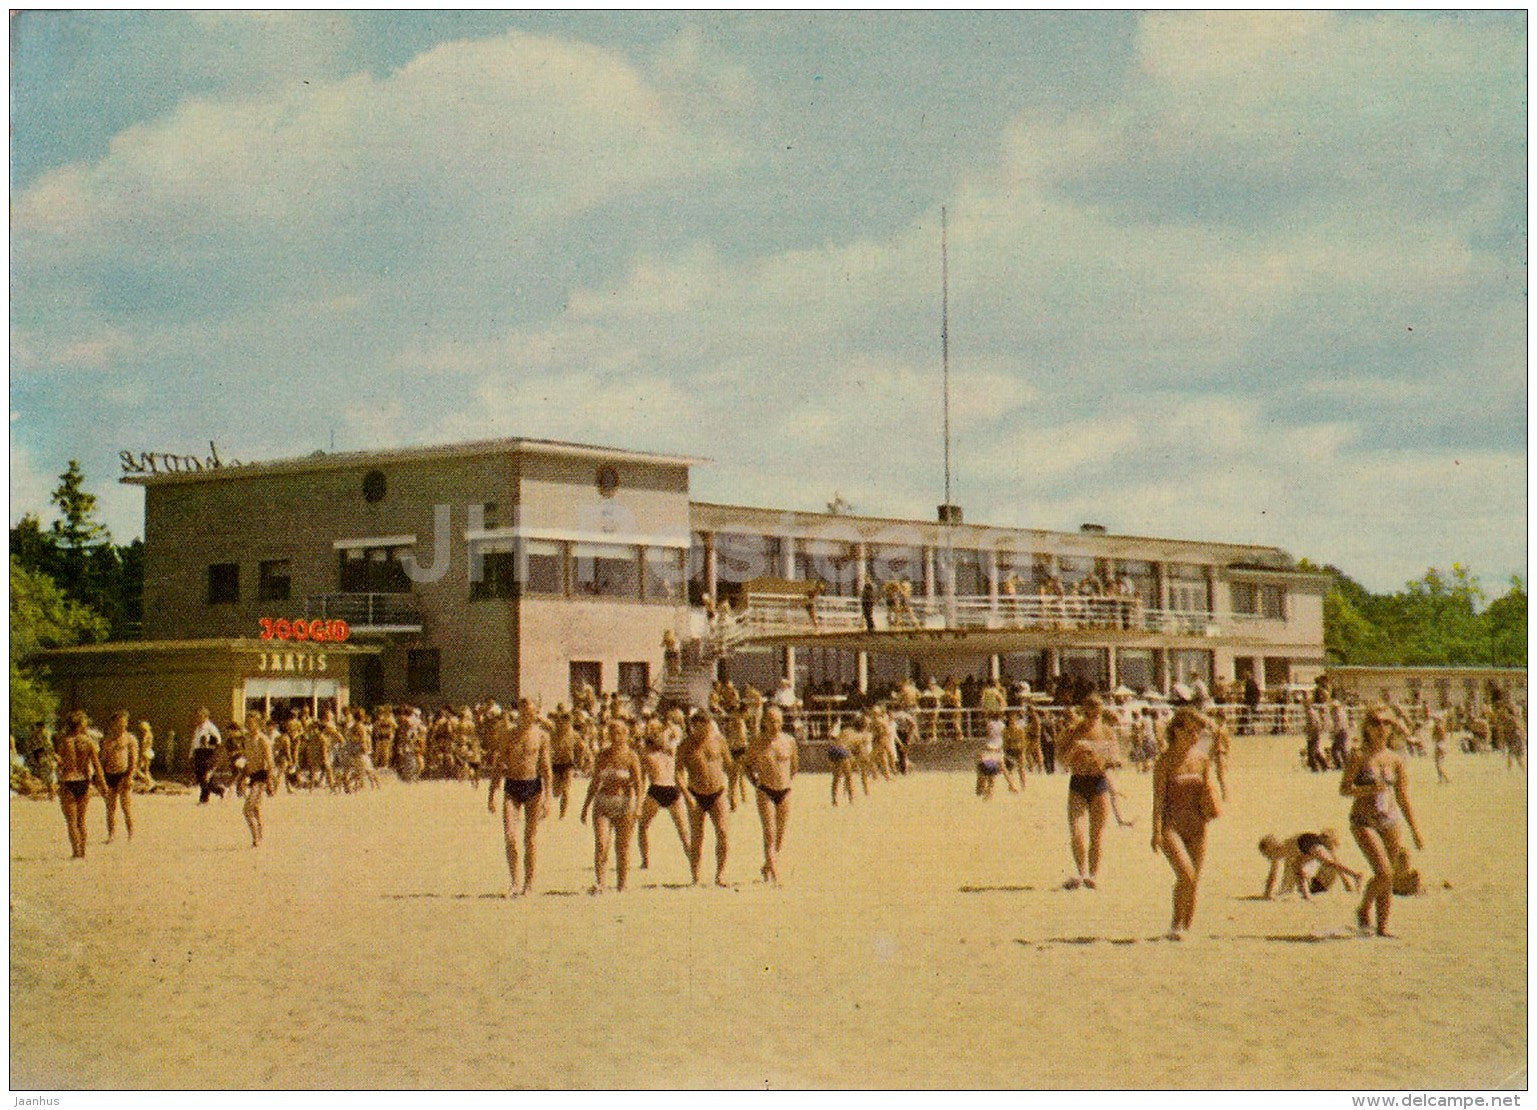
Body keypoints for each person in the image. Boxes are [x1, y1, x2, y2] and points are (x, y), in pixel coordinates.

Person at [1341, 706, 1425, 937]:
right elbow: (1345, 789)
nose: (1381, 728)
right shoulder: (1359, 756)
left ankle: (1382, 927)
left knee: (1388, 877)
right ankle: (1363, 908)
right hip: (1364, 820)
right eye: (1376, 723)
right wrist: (1367, 790)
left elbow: (1402, 796)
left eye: (1386, 723)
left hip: (1390, 820)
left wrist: (1415, 830)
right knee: (1384, 872)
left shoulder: (1396, 759)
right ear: (1367, 727)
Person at [1150, 707, 1219, 939]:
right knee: (1186, 874)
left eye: (1197, 732)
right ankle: (1176, 926)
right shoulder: (1165, 762)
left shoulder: (1202, 760)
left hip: (1198, 826)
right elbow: (1158, 799)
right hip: (1172, 826)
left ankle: (1185, 927)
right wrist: (1156, 831)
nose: (1195, 736)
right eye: (1190, 731)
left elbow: (1208, 792)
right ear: (1177, 731)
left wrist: (1212, 802)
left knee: (1193, 880)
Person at [1057, 695, 1128, 890]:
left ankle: (1093, 875)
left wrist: (1099, 756)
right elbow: (1062, 762)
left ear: (1100, 714)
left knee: (1096, 835)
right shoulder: (1072, 731)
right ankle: (1082, 872)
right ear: (1083, 712)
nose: (1091, 719)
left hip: (1099, 783)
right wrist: (1075, 749)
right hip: (1078, 782)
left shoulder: (1107, 732)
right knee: (1077, 832)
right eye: (1087, 715)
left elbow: (1115, 760)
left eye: (1095, 715)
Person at [488, 700, 553, 898]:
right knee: (510, 837)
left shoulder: (541, 736)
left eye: (530, 713)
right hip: (512, 786)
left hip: (533, 786)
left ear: (535, 714)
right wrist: (492, 793)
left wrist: (548, 798)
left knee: (530, 839)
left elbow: (546, 768)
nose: (527, 717)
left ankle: (529, 884)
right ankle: (515, 882)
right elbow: (499, 764)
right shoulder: (508, 735)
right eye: (524, 713)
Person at [580, 719, 643, 894]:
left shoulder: (631, 756)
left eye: (619, 733)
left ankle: (622, 884)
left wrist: (638, 806)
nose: (615, 737)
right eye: (612, 733)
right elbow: (595, 782)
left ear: (626, 734)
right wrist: (585, 806)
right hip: (603, 803)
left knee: (622, 846)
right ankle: (600, 883)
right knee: (602, 843)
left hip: (624, 804)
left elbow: (639, 783)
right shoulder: (602, 755)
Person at [680, 710, 731, 887]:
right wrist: (686, 795)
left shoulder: (719, 741)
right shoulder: (686, 745)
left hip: (718, 792)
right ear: (695, 726)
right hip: (696, 793)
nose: (706, 730)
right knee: (697, 837)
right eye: (702, 727)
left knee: (723, 832)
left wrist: (733, 791)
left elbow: (730, 765)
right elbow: (678, 772)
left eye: (708, 725)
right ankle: (696, 876)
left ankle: (720, 875)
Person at [748, 706, 798, 885]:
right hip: (765, 791)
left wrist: (786, 782)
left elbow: (794, 766)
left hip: (784, 790)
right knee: (769, 833)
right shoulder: (757, 742)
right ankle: (776, 875)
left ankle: (767, 865)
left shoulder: (789, 741)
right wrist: (755, 781)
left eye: (777, 721)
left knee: (780, 835)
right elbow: (747, 765)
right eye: (771, 721)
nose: (774, 725)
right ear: (764, 722)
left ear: (782, 722)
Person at [637, 718, 689, 872]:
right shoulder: (671, 752)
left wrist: (639, 802)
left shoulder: (646, 754)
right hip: (672, 789)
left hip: (656, 789)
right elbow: (675, 733)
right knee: (683, 830)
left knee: (643, 826)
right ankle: (692, 858)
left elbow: (641, 781)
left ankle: (645, 861)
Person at [54, 710, 107, 859]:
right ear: (80, 725)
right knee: (81, 820)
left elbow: (62, 763)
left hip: (68, 781)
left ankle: (75, 851)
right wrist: (102, 784)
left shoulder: (64, 742)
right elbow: (96, 765)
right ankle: (82, 851)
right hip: (83, 781)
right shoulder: (89, 742)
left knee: (71, 821)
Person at [1259, 830, 1362, 899]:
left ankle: (1355, 875)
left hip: (1306, 842)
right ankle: (1307, 896)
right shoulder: (1282, 848)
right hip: (1305, 843)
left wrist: (1267, 894)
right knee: (1297, 866)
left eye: (1266, 854)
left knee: (1328, 862)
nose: (1267, 857)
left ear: (1270, 849)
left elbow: (1273, 876)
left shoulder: (1277, 853)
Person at [99, 711, 139, 842]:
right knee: (110, 807)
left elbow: (133, 760)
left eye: (124, 723)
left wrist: (130, 777)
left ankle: (131, 834)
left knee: (126, 807)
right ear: (113, 723)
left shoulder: (130, 739)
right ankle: (111, 834)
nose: (122, 725)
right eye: (119, 723)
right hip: (110, 774)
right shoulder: (107, 740)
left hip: (123, 774)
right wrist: (100, 778)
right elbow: (102, 759)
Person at [242, 712, 276, 848]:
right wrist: (242, 778)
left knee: (247, 809)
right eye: (247, 722)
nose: (249, 725)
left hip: (262, 776)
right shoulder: (246, 738)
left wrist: (269, 782)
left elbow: (270, 763)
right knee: (255, 808)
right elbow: (247, 760)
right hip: (252, 776)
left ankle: (256, 838)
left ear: (258, 723)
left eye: (251, 723)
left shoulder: (263, 740)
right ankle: (260, 834)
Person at [191, 708, 223, 803]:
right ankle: (218, 790)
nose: (198, 718)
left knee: (205, 777)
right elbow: (195, 741)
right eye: (197, 716)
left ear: (205, 716)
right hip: (198, 752)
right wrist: (191, 753)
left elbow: (218, 740)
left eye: (200, 716)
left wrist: (210, 746)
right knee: (199, 776)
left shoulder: (210, 727)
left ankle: (204, 798)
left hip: (207, 752)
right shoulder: (198, 728)